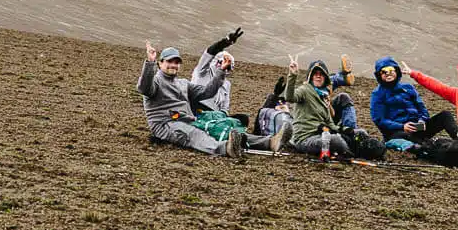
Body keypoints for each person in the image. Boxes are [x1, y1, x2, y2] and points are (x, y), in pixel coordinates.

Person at [137, 42, 283, 158]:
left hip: (188, 119)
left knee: (220, 128)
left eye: (176, 62)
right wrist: (149, 63)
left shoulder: (182, 83)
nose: (173, 65)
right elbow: (144, 88)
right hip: (166, 123)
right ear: (160, 63)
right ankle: (225, 148)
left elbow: (207, 92)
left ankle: (269, 142)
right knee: (194, 135)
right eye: (169, 62)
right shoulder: (156, 82)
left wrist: (221, 72)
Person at [367, 56, 458, 166]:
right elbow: (379, 120)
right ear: (379, 75)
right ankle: (434, 150)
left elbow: (422, 109)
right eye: (384, 71)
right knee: (411, 140)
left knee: (445, 115)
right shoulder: (377, 94)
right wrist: (402, 126)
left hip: (418, 128)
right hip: (397, 132)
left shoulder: (408, 88)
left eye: (391, 70)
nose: (388, 73)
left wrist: (421, 121)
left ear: (396, 71)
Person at [284, 57, 376, 161]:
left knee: (360, 133)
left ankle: (366, 149)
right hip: (305, 138)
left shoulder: (324, 96)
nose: (318, 76)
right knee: (335, 140)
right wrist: (292, 75)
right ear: (310, 77)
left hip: (323, 134)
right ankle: (354, 154)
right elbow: (289, 97)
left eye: (321, 74)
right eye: (315, 73)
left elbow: (330, 123)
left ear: (325, 78)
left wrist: (346, 130)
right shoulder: (304, 90)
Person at [190, 28, 245, 122]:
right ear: (214, 61)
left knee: (243, 119)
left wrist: (221, 117)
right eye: (221, 63)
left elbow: (225, 109)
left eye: (228, 67)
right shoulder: (202, 71)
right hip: (197, 108)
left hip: (214, 116)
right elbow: (209, 52)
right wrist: (226, 42)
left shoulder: (226, 84)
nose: (224, 67)